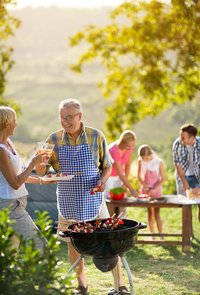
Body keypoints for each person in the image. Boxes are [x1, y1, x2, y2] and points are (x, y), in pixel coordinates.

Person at [35, 99, 130, 295]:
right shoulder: (53, 139)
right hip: (68, 199)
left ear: (80, 116)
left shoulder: (96, 135)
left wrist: (103, 181)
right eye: (62, 118)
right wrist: (42, 163)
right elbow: (42, 171)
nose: (65, 121)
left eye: (69, 117)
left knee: (108, 240)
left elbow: (107, 165)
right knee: (73, 243)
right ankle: (81, 285)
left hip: (94, 198)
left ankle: (120, 284)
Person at [0, 106, 53, 251]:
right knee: (42, 247)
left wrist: (42, 180)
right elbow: (15, 183)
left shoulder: (8, 143)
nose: (17, 123)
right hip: (10, 206)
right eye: (15, 120)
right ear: (7, 124)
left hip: (17, 203)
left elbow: (18, 176)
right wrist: (32, 164)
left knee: (9, 253)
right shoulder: (1, 150)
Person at [105, 130, 138, 216]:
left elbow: (127, 167)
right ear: (122, 142)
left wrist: (125, 184)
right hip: (109, 177)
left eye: (132, 146)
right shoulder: (114, 150)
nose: (130, 148)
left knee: (123, 202)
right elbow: (120, 172)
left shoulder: (128, 149)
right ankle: (110, 224)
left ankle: (123, 223)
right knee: (111, 203)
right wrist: (132, 189)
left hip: (121, 177)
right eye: (128, 146)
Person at [173, 123, 200, 222]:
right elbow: (178, 164)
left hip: (197, 176)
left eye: (183, 138)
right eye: (180, 136)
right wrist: (184, 182)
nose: (181, 139)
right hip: (182, 176)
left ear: (192, 138)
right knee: (185, 205)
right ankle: (188, 234)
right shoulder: (177, 144)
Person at [137, 144, 165, 239]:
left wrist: (155, 189)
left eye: (147, 158)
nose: (146, 161)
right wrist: (144, 185)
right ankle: (152, 234)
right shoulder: (140, 161)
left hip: (156, 189)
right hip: (146, 189)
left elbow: (163, 179)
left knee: (157, 213)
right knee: (150, 212)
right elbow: (139, 176)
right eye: (144, 159)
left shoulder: (158, 162)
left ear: (151, 154)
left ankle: (160, 234)